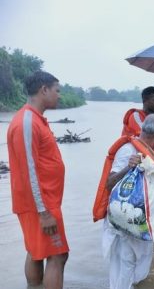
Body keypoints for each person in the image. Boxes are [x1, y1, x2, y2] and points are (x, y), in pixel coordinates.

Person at [7, 71, 68, 288]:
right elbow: (28, 170)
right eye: (57, 90)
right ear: (44, 90)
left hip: (43, 201)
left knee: (36, 252)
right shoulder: (26, 122)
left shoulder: (36, 120)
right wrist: (43, 212)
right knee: (58, 256)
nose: (59, 95)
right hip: (40, 205)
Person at [102, 113, 154, 288]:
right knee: (124, 267)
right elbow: (109, 184)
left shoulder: (149, 150)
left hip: (141, 222)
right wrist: (128, 166)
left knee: (139, 267)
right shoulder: (128, 151)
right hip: (124, 223)